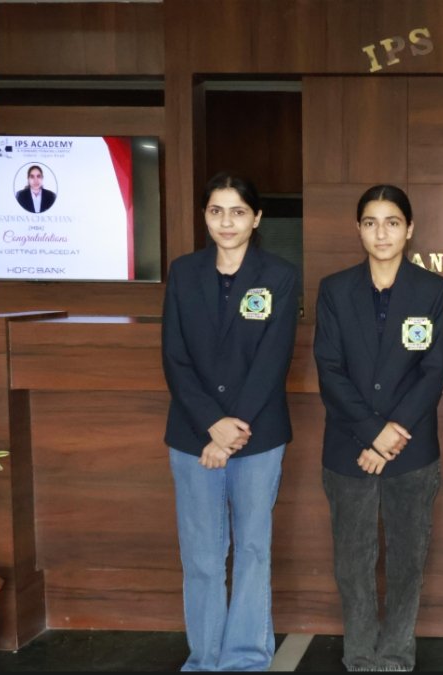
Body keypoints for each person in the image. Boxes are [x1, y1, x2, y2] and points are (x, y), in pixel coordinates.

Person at [162, 172, 300, 671]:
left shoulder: (280, 276)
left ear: (256, 218)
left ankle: (244, 659)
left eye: (238, 212)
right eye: (217, 211)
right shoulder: (184, 272)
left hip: (257, 436)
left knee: (253, 550)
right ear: (205, 216)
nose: (227, 222)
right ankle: (204, 659)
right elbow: (175, 357)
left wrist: (232, 429)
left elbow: (272, 360)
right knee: (201, 555)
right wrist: (211, 425)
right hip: (192, 435)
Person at [313, 185, 443, 672]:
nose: (381, 233)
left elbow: (432, 372)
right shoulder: (335, 289)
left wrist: (392, 434)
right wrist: (373, 432)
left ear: (409, 229)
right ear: (359, 229)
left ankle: (394, 655)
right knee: (352, 563)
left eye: (392, 222)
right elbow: (330, 370)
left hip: (411, 451)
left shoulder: (433, 290)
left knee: (407, 562)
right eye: (370, 223)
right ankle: (359, 655)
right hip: (348, 448)